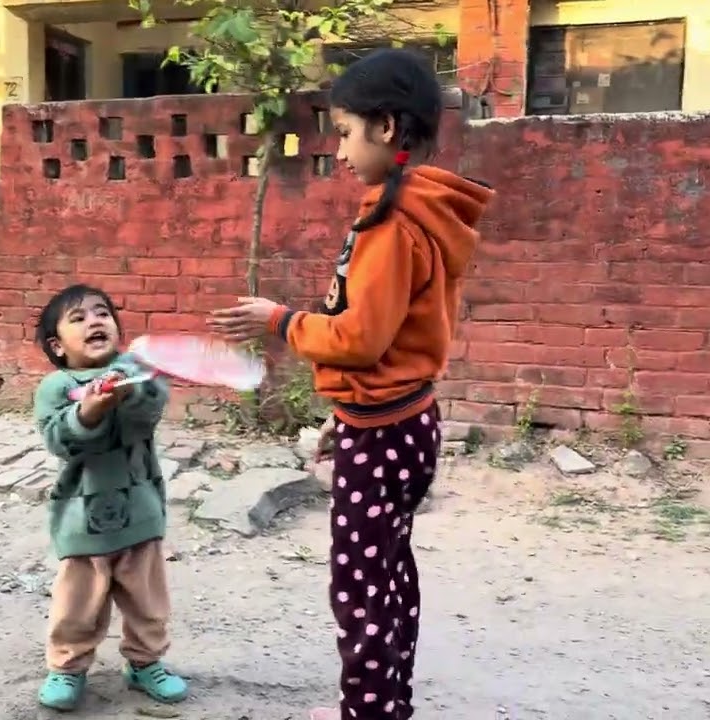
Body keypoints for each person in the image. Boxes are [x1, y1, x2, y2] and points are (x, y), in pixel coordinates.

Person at [208, 48, 495, 720]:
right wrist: (346, 408)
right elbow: (388, 345)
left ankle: (368, 712)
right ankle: (382, 703)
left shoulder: (393, 226)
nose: (337, 150)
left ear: (387, 127)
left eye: (343, 132)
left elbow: (360, 338)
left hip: (386, 433)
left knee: (362, 584)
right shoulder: (411, 212)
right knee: (388, 572)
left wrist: (278, 320)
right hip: (402, 418)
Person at [31, 283, 189, 712]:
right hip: (83, 520)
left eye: (102, 313)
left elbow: (149, 411)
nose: (94, 321)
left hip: (141, 513)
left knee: (148, 601)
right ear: (57, 345)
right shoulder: (56, 385)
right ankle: (68, 667)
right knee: (77, 605)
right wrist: (90, 410)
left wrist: (130, 388)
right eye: (78, 319)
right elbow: (60, 439)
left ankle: (145, 663)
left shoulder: (136, 372)